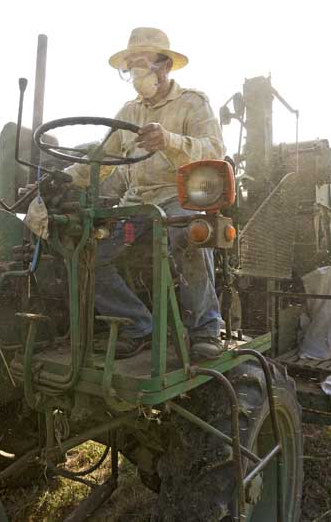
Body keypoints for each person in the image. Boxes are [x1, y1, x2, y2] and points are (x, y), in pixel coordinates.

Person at [64, 27, 226, 359]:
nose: (136, 69)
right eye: (131, 63)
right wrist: (63, 180)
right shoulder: (127, 113)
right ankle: (138, 325)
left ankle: (205, 329)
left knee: (190, 239)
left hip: (179, 198)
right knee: (90, 255)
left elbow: (214, 152)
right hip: (136, 207)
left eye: (142, 61)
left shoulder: (192, 103)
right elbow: (103, 161)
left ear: (164, 65)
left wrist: (170, 140)